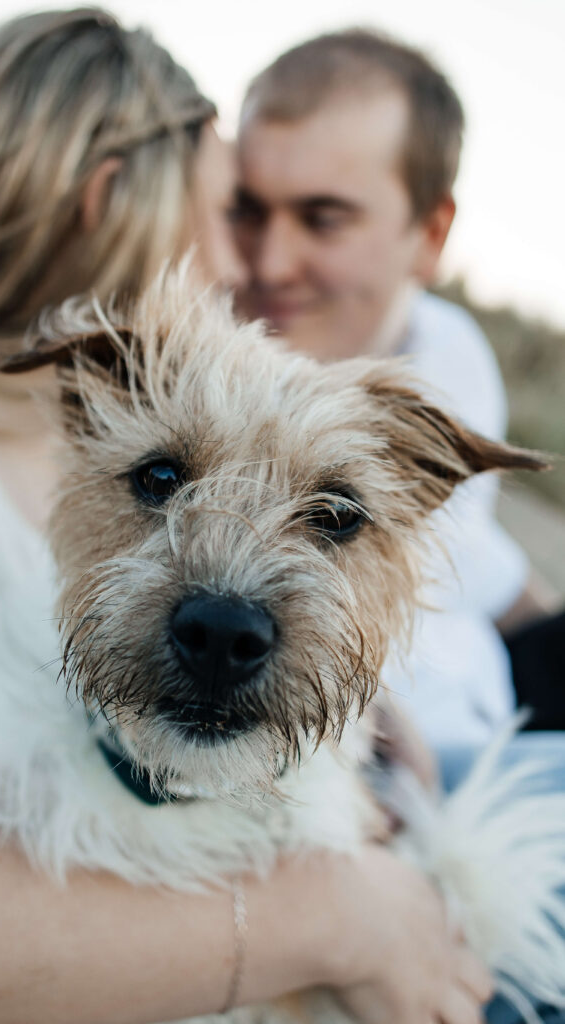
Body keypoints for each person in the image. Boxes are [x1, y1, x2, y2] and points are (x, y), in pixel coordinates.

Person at [0, 10, 491, 1024]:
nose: (249, 265)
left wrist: (375, 704)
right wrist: (336, 915)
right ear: (108, 203)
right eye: (230, 212)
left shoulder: (81, 414)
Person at [232, 30, 565, 1024]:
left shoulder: (449, 355)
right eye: (248, 208)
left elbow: (480, 558)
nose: (267, 259)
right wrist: (374, 727)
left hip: (495, 709)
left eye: (320, 218)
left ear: (430, 232)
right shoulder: (208, 383)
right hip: (382, 785)